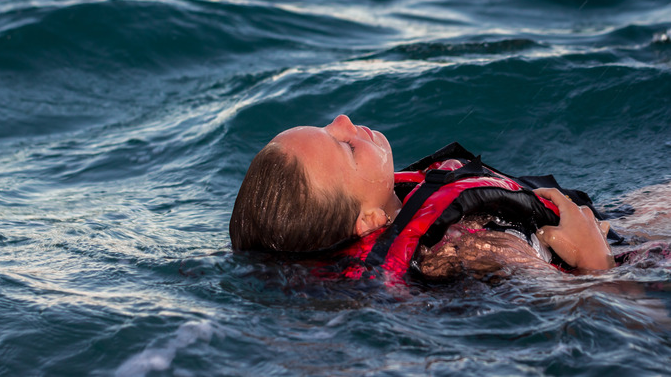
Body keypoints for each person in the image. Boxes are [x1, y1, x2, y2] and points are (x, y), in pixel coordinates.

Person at [230, 114, 616, 278]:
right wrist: (594, 261)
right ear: (368, 221)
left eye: (326, 125)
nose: (344, 122)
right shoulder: (462, 246)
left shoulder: (410, 210)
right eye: (344, 146)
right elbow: (593, 305)